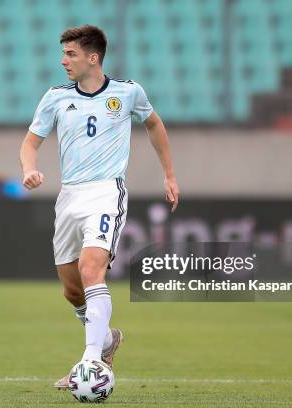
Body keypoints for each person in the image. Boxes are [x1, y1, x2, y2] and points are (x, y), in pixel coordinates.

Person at [19, 25, 179, 390]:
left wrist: (169, 175)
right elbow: (30, 142)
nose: (64, 60)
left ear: (93, 57)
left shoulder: (127, 93)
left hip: (107, 192)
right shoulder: (56, 97)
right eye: (63, 54)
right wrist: (29, 169)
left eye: (71, 54)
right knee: (72, 290)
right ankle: (107, 339)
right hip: (69, 197)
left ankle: (91, 361)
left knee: (93, 269)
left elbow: (154, 125)